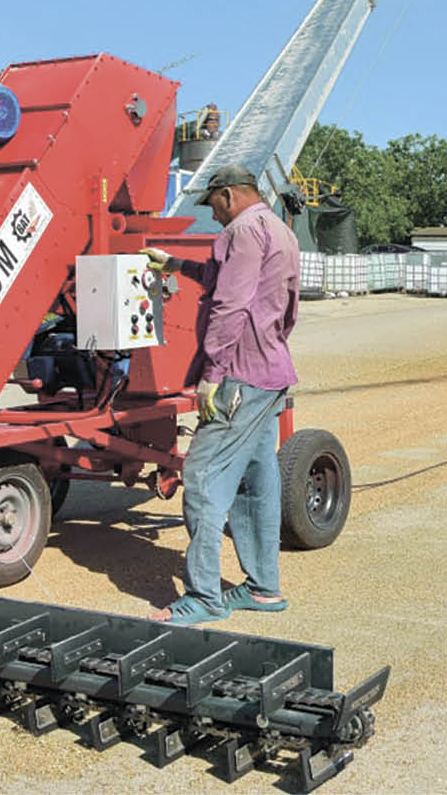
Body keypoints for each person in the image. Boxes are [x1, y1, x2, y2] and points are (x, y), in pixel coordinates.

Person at [144, 164, 301, 624]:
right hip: (271, 373)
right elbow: (273, 300)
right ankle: (264, 588)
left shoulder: (241, 231)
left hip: (237, 377)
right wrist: (175, 265)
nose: (212, 216)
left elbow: (230, 303)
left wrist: (213, 372)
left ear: (228, 195)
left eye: (212, 204)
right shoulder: (278, 230)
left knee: (203, 479)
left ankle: (204, 598)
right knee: (256, 482)